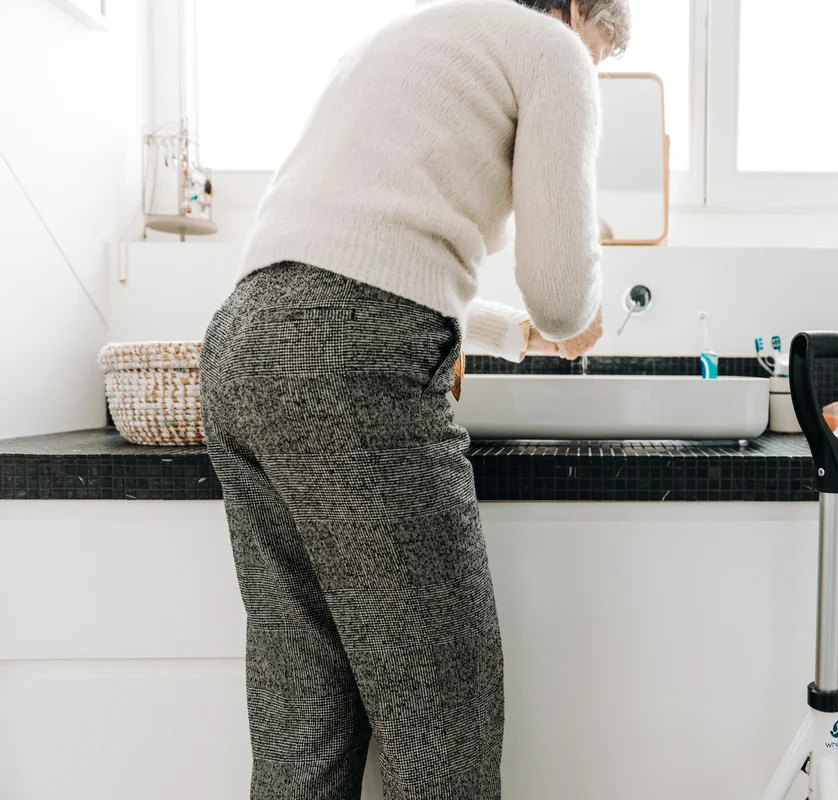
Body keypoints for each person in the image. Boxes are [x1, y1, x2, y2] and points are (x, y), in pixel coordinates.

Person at [197, 1, 630, 797]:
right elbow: (566, 293)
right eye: (597, 56)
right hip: (351, 369)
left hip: (237, 352)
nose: (588, 72)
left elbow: (344, 266)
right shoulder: (551, 48)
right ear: (575, 12)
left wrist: (512, 332)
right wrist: (581, 294)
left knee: (304, 715)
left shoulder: (399, 39)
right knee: (443, 724)